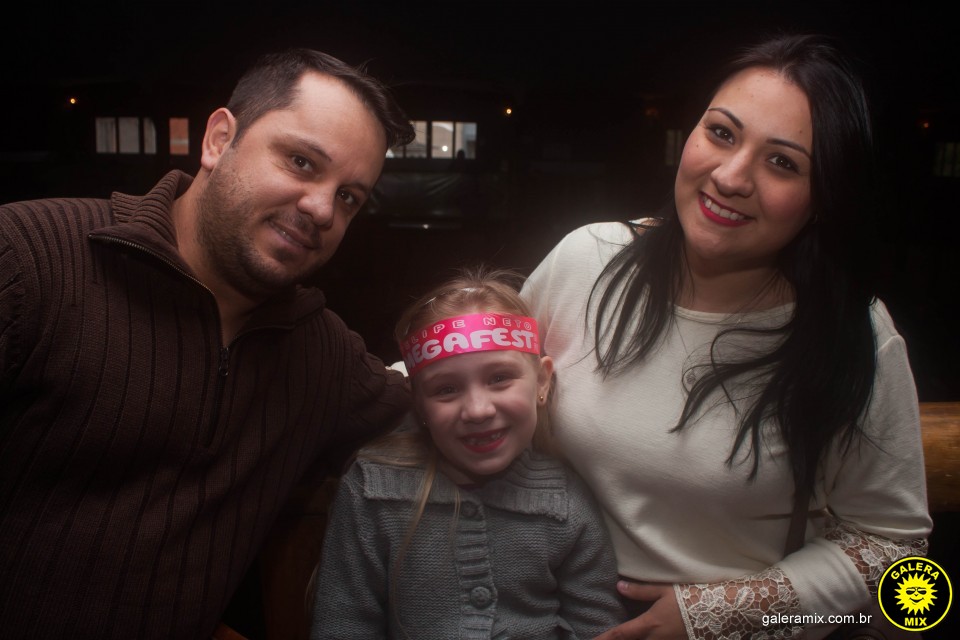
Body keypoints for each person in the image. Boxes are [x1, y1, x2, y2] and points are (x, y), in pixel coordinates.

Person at [521, 34, 932, 639]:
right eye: (721, 133)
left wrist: (719, 615)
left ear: (822, 199)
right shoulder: (587, 260)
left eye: (783, 163)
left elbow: (893, 549)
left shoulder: (853, 332)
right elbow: (472, 370)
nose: (731, 176)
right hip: (546, 615)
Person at [0, 49, 415, 639]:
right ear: (219, 139)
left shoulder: (323, 357)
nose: (322, 209)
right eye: (301, 161)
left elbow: (454, 399)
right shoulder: (28, 258)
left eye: (349, 196)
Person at [310, 268, 628, 639]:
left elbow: (598, 627)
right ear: (419, 404)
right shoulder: (372, 491)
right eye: (446, 389)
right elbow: (344, 622)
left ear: (541, 380)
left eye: (499, 378)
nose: (477, 410)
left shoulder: (567, 503)